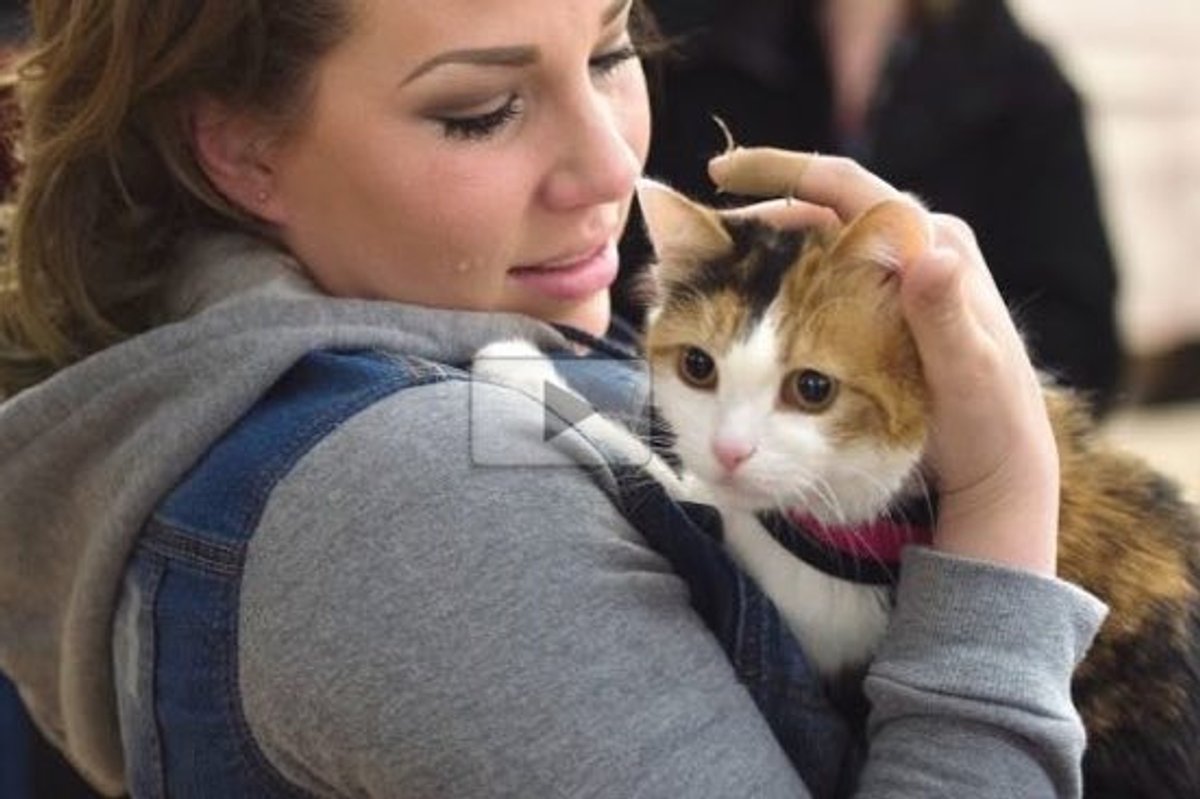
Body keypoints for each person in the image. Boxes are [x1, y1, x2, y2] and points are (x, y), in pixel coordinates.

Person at [0, 1, 1105, 797]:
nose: (612, 166)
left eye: (615, 47)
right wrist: (1007, 502)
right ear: (241, 150)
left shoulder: (415, 377)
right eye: (479, 110)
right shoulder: (417, 501)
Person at [627, 0, 1122, 412]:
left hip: (922, 462)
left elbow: (1083, 344)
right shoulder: (681, 42)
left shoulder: (1022, 84)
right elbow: (625, 272)